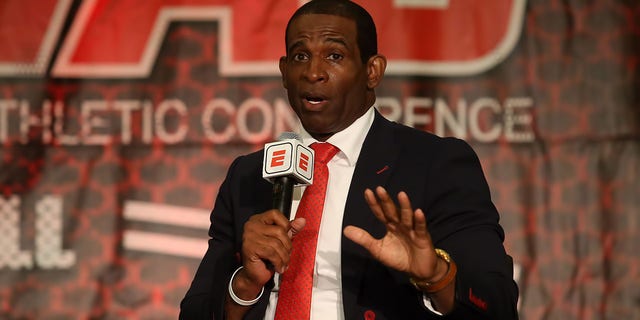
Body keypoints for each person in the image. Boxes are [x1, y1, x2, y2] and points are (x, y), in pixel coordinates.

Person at [180, 0, 519, 319]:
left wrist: (436, 276)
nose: (314, 72)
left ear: (372, 71)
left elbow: (497, 303)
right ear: (284, 72)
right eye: (300, 57)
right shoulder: (249, 174)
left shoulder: (435, 163)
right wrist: (245, 284)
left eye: (335, 56)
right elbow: (194, 312)